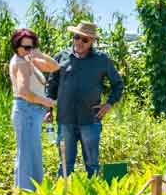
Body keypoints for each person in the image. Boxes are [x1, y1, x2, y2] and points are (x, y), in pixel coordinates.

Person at [45, 21, 124, 177]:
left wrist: (108, 104)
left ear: (92, 41)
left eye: (85, 39)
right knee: (65, 165)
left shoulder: (102, 60)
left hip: (90, 120)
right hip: (65, 119)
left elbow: (118, 84)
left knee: (92, 164)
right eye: (77, 37)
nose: (80, 42)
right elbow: (51, 86)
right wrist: (48, 109)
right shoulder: (60, 57)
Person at [7, 28, 59, 191]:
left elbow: (54, 66)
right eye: (26, 47)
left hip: (31, 112)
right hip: (26, 111)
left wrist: (39, 54)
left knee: (33, 154)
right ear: (17, 46)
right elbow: (23, 92)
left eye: (32, 46)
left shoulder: (28, 58)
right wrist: (46, 102)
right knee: (26, 157)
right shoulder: (21, 62)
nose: (29, 50)